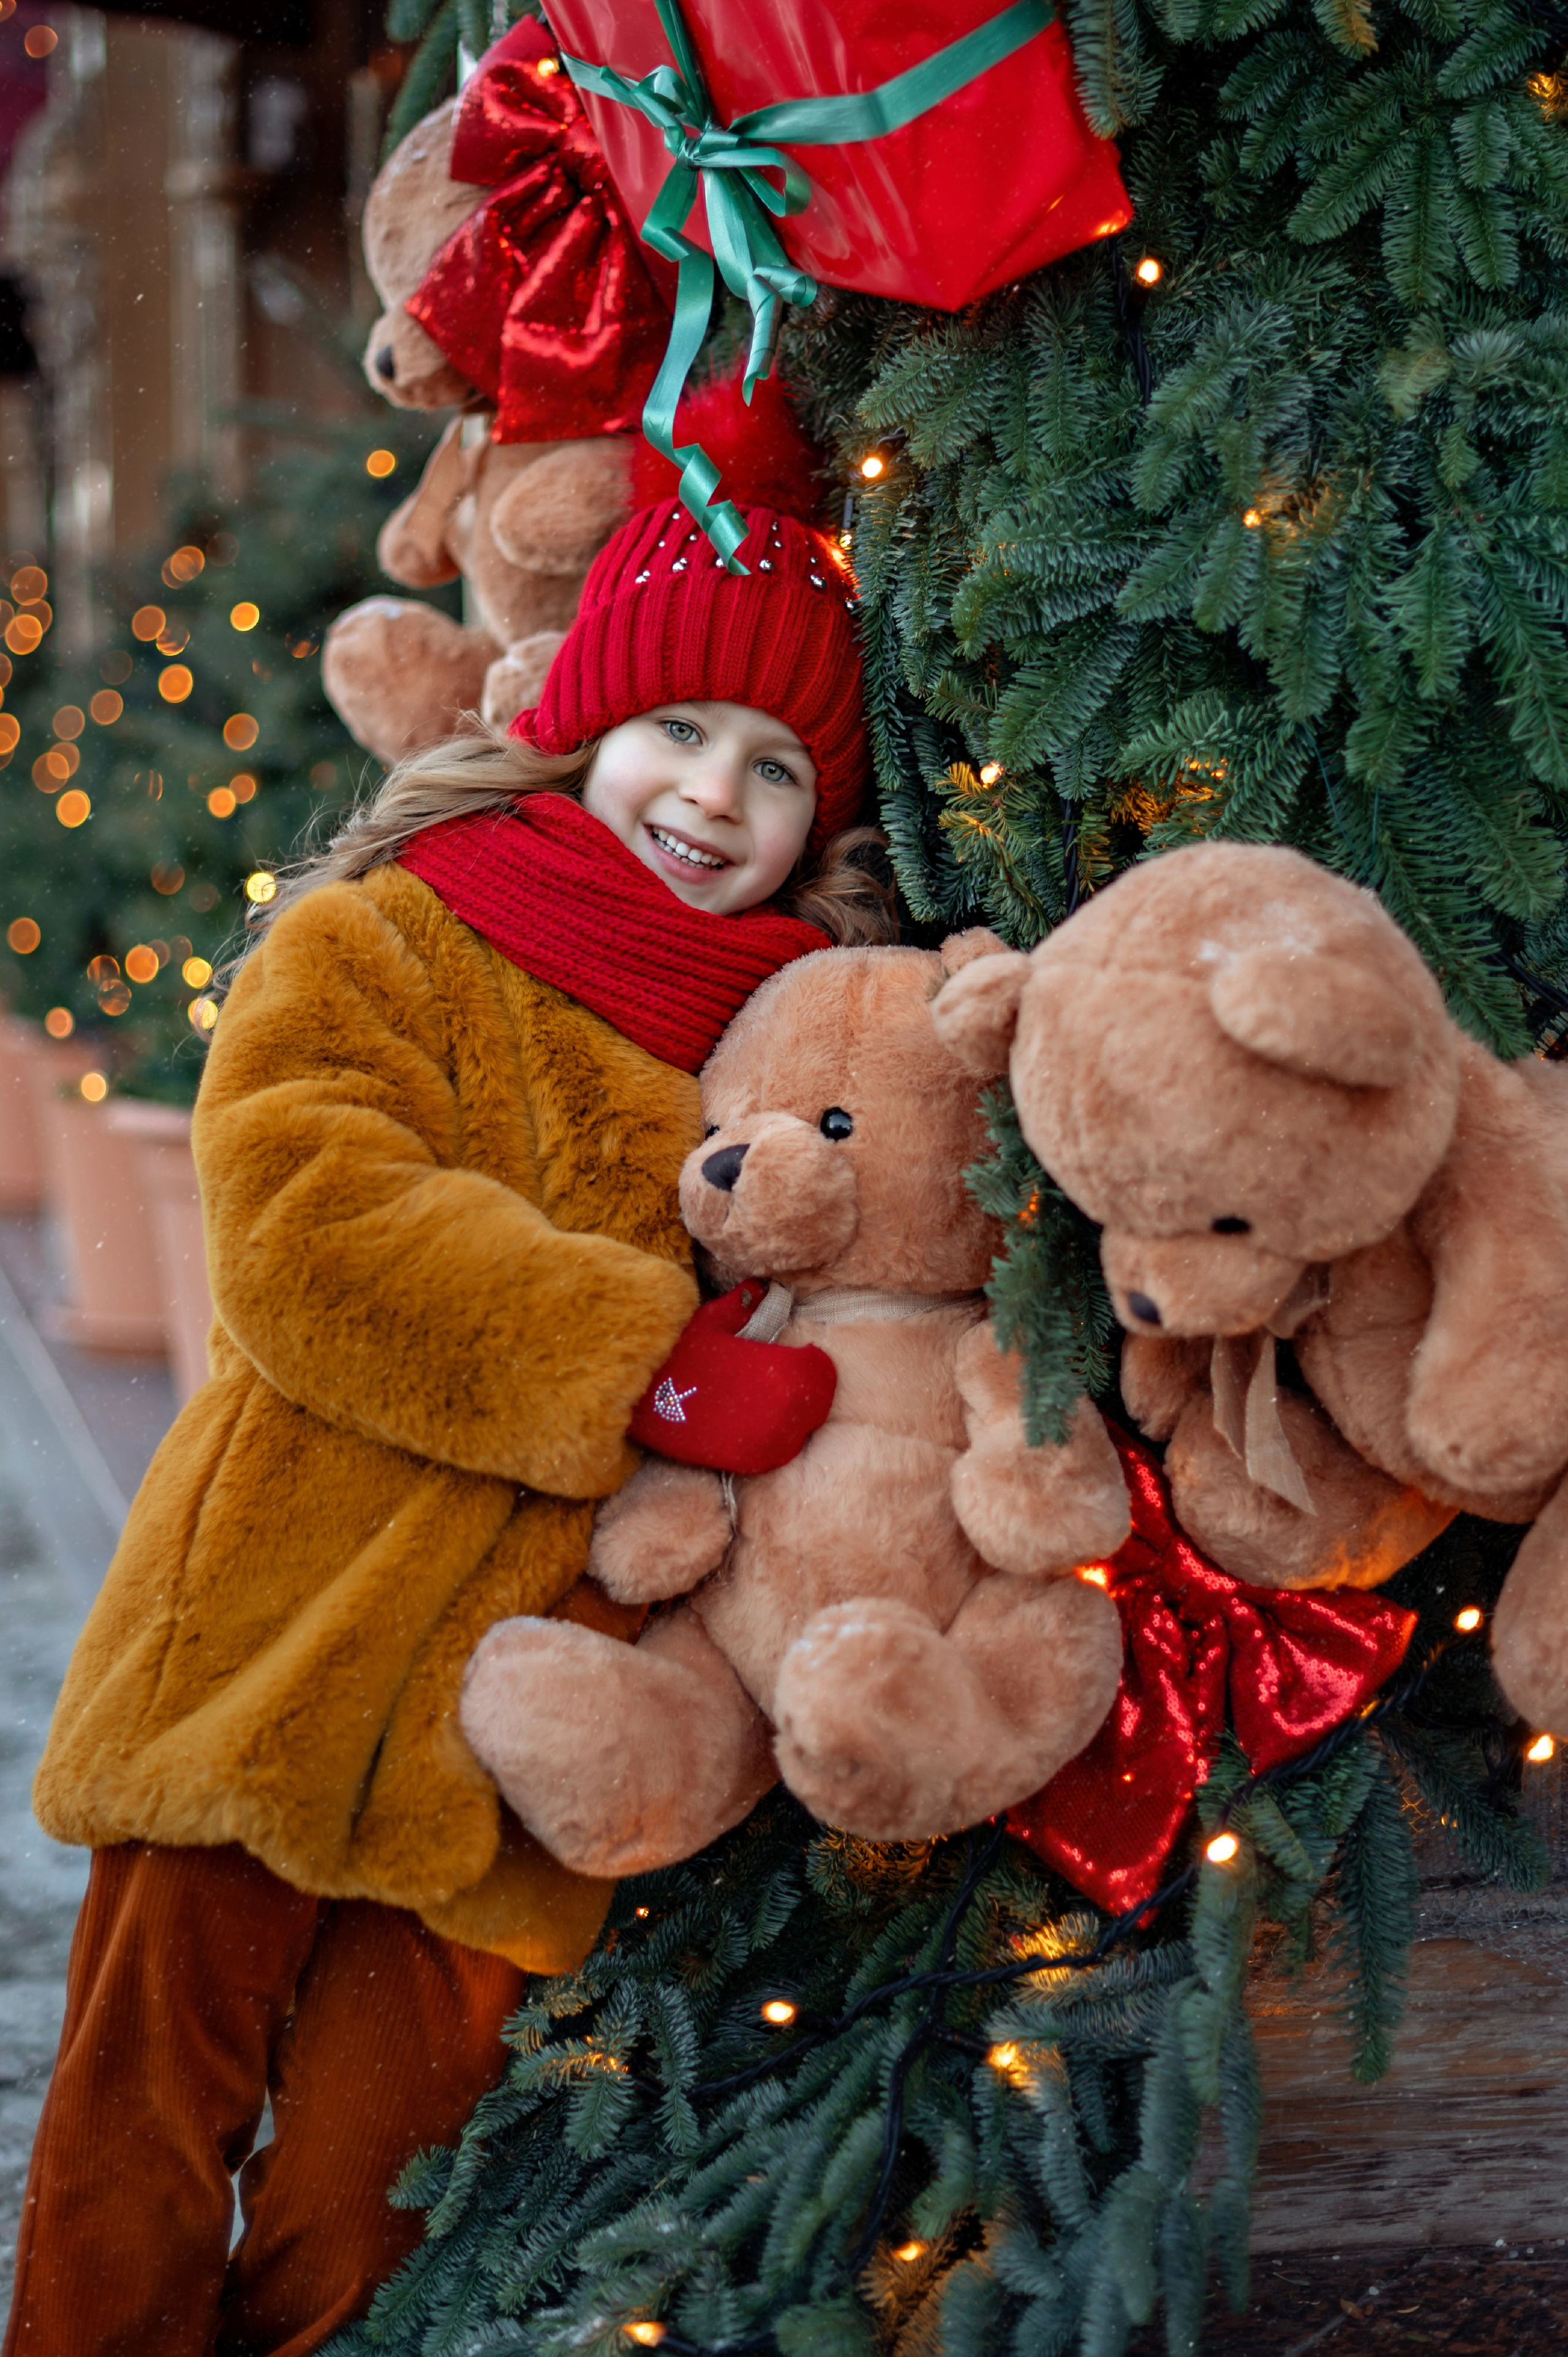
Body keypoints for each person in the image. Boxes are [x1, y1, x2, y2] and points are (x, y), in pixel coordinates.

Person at [5, 496, 895, 2357]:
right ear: (582, 724)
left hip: (508, 1717)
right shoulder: (388, 931)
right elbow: (303, 1217)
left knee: (373, 2197)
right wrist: (633, 1364)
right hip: (261, 1637)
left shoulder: (781, 1050)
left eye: (777, 769)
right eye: (676, 732)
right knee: (137, 2138)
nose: (714, 797)